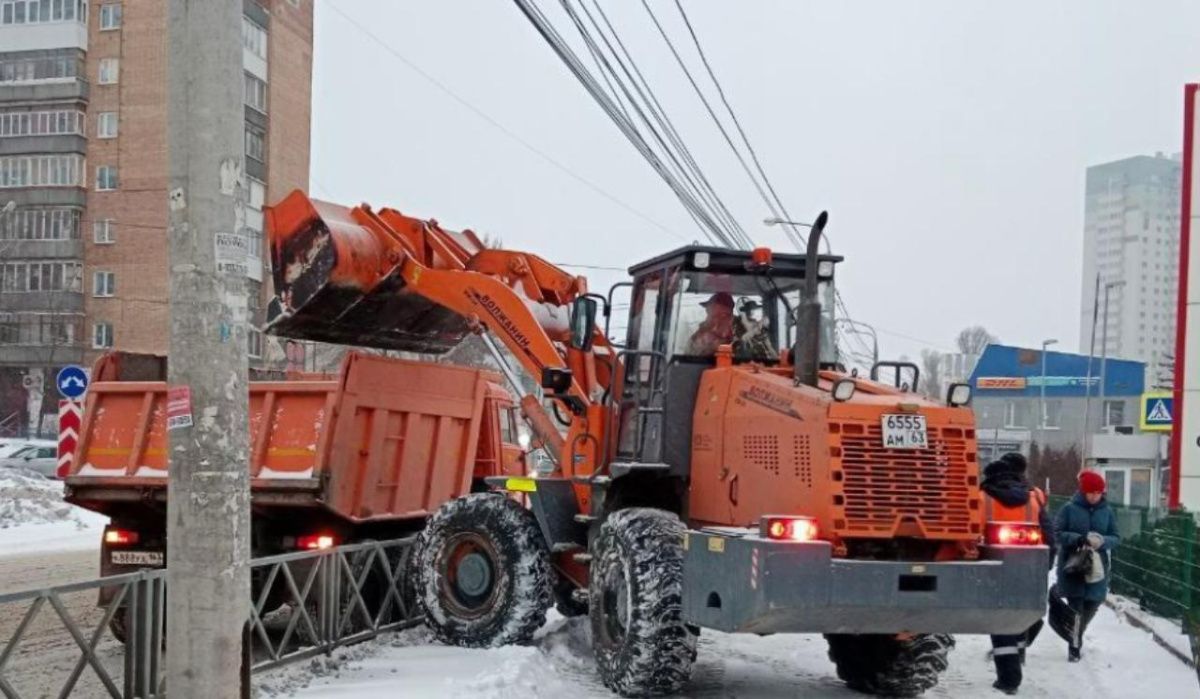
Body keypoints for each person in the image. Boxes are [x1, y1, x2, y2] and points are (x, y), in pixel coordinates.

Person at [981, 452, 1054, 695]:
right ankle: (1020, 649)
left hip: (993, 566)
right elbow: (1048, 532)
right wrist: (1046, 563)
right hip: (1028, 565)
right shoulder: (1033, 496)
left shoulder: (982, 497)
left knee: (1001, 620)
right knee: (1022, 612)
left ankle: (1009, 679)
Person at [1054, 470, 1120, 662]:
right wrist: (1078, 539)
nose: (1094, 496)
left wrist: (1103, 541)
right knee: (1076, 607)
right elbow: (1057, 532)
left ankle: (1076, 633)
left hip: (1097, 568)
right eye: (1091, 492)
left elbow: (1116, 536)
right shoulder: (1068, 509)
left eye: (1098, 493)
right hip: (1074, 565)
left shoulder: (1107, 512)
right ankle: (1074, 647)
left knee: (1093, 603)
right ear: (1083, 492)